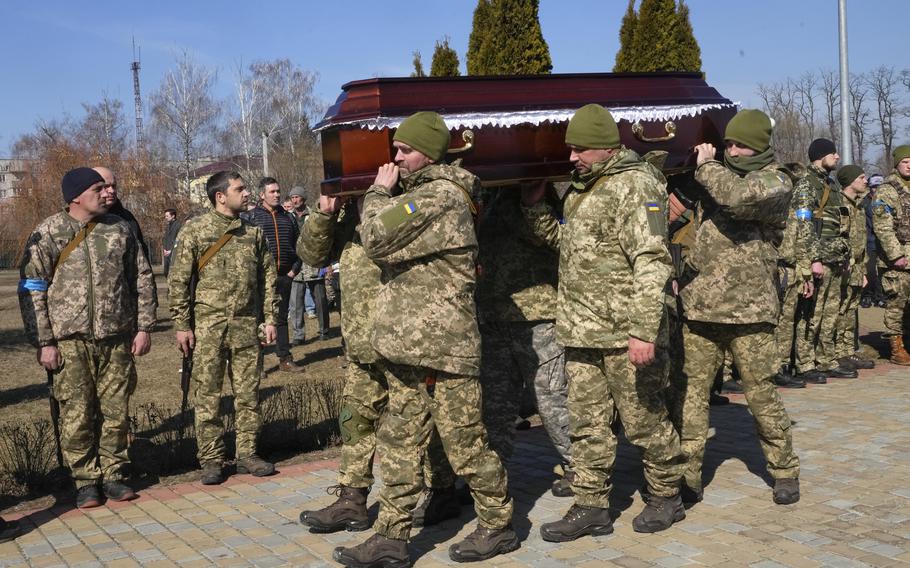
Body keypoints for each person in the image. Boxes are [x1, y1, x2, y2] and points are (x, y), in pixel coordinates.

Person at [333, 112, 516, 566]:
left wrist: (376, 191)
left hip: (443, 351)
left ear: (429, 153)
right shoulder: (424, 195)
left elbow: (375, 236)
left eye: (405, 150)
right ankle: (391, 539)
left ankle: (497, 525)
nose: (395, 157)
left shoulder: (438, 198)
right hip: (411, 349)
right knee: (398, 444)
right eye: (395, 148)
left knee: (466, 447)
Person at [521, 104, 685, 541]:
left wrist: (643, 330)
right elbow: (569, 247)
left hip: (624, 335)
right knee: (587, 424)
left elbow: (652, 261)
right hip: (581, 333)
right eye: (570, 148)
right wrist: (536, 209)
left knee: (644, 421)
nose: (571, 157)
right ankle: (591, 505)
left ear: (607, 148)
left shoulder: (637, 185)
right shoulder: (581, 191)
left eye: (580, 149)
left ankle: (667, 494)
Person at [297, 193, 459, 535]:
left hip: (404, 338)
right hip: (360, 339)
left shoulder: (408, 200)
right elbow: (310, 255)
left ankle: (442, 490)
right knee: (354, 419)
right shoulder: (345, 214)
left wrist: (379, 197)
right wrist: (324, 213)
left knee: (419, 421)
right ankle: (352, 499)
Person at [675, 109, 801, 506]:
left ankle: (784, 470)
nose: (732, 150)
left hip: (749, 312)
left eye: (740, 143)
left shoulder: (775, 181)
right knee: (691, 397)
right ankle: (686, 476)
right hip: (700, 308)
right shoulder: (711, 177)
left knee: (761, 395)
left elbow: (735, 197)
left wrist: (707, 165)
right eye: (728, 143)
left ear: (760, 146)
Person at [18, 167, 157, 507]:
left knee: (116, 411)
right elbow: (32, 288)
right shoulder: (49, 231)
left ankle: (114, 475)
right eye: (100, 187)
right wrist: (44, 341)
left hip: (116, 337)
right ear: (76, 196)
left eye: (110, 187)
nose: (109, 192)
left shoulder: (120, 229)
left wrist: (143, 327)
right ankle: (84, 480)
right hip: (69, 341)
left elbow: (141, 279)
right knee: (76, 413)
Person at [168, 170, 279, 484]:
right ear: (220, 196)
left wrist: (270, 319)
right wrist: (182, 325)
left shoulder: (253, 233)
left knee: (248, 394)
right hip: (208, 328)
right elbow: (178, 282)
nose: (246, 194)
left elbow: (268, 279)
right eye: (239, 189)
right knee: (209, 397)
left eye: (245, 188)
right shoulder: (195, 231)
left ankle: (248, 453)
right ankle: (212, 459)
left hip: (246, 327)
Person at [475, 185, 573, 495]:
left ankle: (582, 469)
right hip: (493, 314)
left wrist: (532, 200)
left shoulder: (540, 194)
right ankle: (492, 474)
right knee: (495, 405)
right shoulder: (484, 197)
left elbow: (555, 240)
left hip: (538, 314)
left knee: (552, 398)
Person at [798, 140, 858, 380]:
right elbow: (804, 223)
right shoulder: (807, 183)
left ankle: (826, 359)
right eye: (833, 153)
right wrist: (813, 259)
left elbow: (841, 224)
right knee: (811, 314)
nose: (837, 156)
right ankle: (805, 363)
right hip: (819, 257)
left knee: (830, 313)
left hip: (835, 257)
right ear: (820, 155)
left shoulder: (830, 184)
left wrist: (845, 254)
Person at [242, 177, 304, 372]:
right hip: (260, 279)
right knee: (259, 319)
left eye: (278, 191)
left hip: (285, 276)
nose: (277, 194)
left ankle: (285, 358)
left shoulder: (289, 217)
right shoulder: (251, 218)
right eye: (272, 192)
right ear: (262, 195)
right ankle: (258, 365)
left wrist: (294, 270)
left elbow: (299, 246)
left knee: (282, 318)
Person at [871, 145, 910, 364]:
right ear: (897, 164)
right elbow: (883, 226)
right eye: (905, 161)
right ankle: (896, 348)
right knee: (896, 304)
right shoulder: (888, 189)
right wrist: (896, 255)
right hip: (898, 261)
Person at [833, 165, 874, 371]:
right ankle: (838, 352)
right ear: (850, 181)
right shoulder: (840, 204)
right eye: (861, 177)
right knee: (841, 309)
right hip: (844, 267)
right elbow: (839, 237)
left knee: (851, 309)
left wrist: (864, 269)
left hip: (857, 266)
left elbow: (862, 239)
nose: (865, 181)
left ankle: (848, 351)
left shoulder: (857, 205)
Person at [93, 166, 150, 261]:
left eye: (114, 186)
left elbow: (141, 254)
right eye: (106, 186)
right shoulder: (79, 218)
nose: (112, 191)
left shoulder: (127, 218)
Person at [286, 186, 309, 345]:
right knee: (295, 303)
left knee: (320, 299)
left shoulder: (313, 215)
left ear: (303, 198)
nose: (294, 200)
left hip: (311, 262)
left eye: (297, 197)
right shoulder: (287, 217)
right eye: (292, 197)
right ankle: (298, 335)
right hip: (295, 263)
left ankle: (324, 330)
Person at [162, 208, 180, 277]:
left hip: (174, 254)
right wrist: (164, 249)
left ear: (173, 216)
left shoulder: (178, 226)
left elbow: (178, 240)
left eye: (167, 216)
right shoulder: (167, 226)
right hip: (167, 254)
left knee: (173, 274)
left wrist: (171, 250)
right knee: (166, 273)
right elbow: (165, 239)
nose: (165, 218)